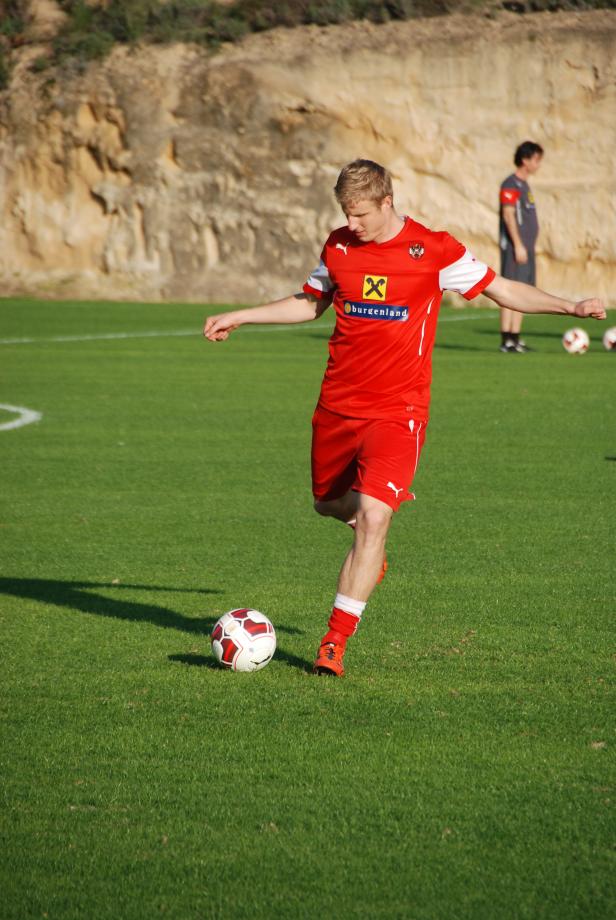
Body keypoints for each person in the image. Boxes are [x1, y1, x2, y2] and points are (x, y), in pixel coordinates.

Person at [204, 159, 605, 677]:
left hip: (399, 411)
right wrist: (241, 315)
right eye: (347, 213)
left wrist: (569, 307)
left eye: (362, 213)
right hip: (337, 406)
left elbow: (502, 288)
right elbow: (309, 303)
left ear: (387, 200)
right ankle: (368, 554)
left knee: (374, 519)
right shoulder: (338, 246)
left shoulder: (434, 250)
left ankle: (334, 642)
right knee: (327, 504)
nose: (353, 223)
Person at [499, 140, 544, 353]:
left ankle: (515, 337)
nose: (538, 164)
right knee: (510, 290)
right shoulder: (510, 184)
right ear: (525, 160)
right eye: (536, 159)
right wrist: (518, 244)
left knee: (523, 290)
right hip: (516, 248)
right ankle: (506, 339)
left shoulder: (524, 185)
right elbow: (508, 215)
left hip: (526, 248)